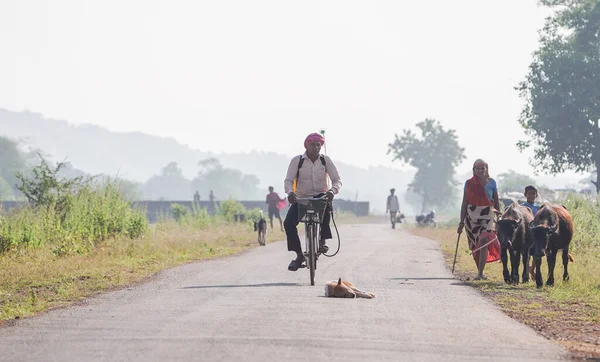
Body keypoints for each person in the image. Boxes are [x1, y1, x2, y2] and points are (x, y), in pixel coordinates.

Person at [283, 132, 342, 271]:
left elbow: (337, 180)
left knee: (326, 207)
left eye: (319, 145)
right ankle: (299, 255)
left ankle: (322, 241)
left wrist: (332, 191)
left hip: (321, 196)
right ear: (307, 146)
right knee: (288, 223)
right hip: (301, 198)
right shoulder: (297, 161)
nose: (316, 147)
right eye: (313, 145)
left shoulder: (325, 160)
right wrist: (290, 192)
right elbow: (288, 180)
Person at [457, 159, 502, 280]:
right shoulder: (469, 183)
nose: (481, 170)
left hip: (488, 216)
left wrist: (499, 216)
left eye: (483, 168)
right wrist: (461, 221)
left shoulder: (492, 183)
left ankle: (481, 273)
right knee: (475, 246)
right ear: (474, 170)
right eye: (478, 168)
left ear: (486, 169)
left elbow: (496, 201)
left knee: (484, 241)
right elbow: (464, 203)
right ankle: (479, 270)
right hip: (471, 217)